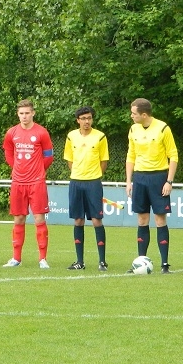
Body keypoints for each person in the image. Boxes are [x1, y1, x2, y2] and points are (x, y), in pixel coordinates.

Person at [126, 98, 178, 274]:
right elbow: (131, 156)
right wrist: (129, 181)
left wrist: (169, 181)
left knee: (160, 219)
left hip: (159, 177)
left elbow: (173, 155)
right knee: (142, 220)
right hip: (140, 178)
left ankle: (165, 264)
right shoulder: (133, 129)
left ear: (144, 115)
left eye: (134, 113)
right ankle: (141, 262)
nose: (131, 116)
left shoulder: (163, 128)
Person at [2, 99, 55, 268]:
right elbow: (8, 153)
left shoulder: (42, 132)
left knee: (39, 218)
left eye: (27, 113)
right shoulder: (12, 133)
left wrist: (38, 169)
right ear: (18, 114)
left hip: (36, 182)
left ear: (33, 113)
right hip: (18, 182)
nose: (24, 116)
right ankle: (16, 258)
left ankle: (42, 259)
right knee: (18, 219)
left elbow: (49, 156)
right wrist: (16, 168)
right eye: (21, 113)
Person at [64, 106, 110, 271]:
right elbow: (69, 160)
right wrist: (78, 174)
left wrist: (94, 175)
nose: (87, 121)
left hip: (93, 183)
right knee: (78, 220)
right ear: (78, 120)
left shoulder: (100, 136)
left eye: (89, 118)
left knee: (97, 220)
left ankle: (102, 261)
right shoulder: (71, 136)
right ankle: (80, 261)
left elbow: (104, 161)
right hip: (76, 182)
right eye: (83, 118)